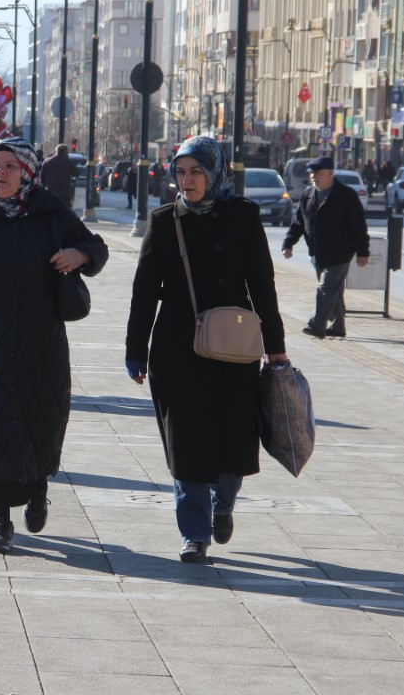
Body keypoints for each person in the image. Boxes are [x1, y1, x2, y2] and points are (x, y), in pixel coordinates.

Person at [0, 136, 109, 553]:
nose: (0, 173)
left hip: (39, 339)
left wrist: (78, 257)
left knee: (39, 422)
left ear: (27, 172)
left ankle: (37, 489)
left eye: (10, 166)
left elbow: (95, 247)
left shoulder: (50, 212)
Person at [124, 136, 289, 563]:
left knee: (233, 442)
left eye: (196, 171)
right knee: (187, 445)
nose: (187, 180)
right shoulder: (165, 221)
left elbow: (262, 286)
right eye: (180, 172)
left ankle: (225, 502)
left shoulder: (244, 217)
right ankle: (194, 534)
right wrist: (135, 350)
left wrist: (277, 348)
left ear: (214, 173)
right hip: (177, 350)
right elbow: (144, 292)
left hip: (234, 348)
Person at [282, 155, 370, 339]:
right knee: (334, 290)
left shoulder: (346, 195)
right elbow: (298, 222)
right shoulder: (308, 195)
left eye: (317, 173)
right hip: (318, 253)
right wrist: (288, 243)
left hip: (340, 253)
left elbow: (359, 226)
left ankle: (317, 324)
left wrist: (363, 251)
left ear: (330, 173)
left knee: (326, 288)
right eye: (312, 173)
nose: (313, 177)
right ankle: (338, 326)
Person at [40, 143, 78, 208]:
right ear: (66, 151)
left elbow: (42, 177)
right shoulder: (68, 161)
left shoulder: (47, 161)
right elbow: (76, 173)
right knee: (65, 214)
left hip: (50, 193)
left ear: (56, 150)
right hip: (64, 194)